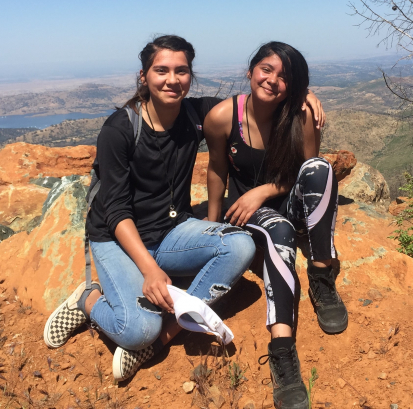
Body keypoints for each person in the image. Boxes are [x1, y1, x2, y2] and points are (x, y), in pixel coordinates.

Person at [42, 35, 257, 381]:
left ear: (190, 75)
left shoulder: (195, 114)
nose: (172, 79)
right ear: (144, 76)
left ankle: (169, 330)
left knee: (241, 244)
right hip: (117, 239)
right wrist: (150, 270)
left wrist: (298, 93)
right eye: (162, 70)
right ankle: (88, 300)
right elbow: (114, 210)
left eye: (181, 71)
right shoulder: (120, 129)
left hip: (171, 232)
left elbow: (250, 105)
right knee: (136, 329)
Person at [204, 41, 347, 409]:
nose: (272, 81)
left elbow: (306, 170)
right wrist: (212, 224)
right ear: (251, 70)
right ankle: (282, 350)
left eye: (284, 77)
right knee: (279, 231)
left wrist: (263, 190)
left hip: (285, 201)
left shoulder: (298, 115)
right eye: (266, 69)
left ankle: (320, 275)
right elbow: (217, 170)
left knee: (322, 168)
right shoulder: (222, 117)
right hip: (252, 214)